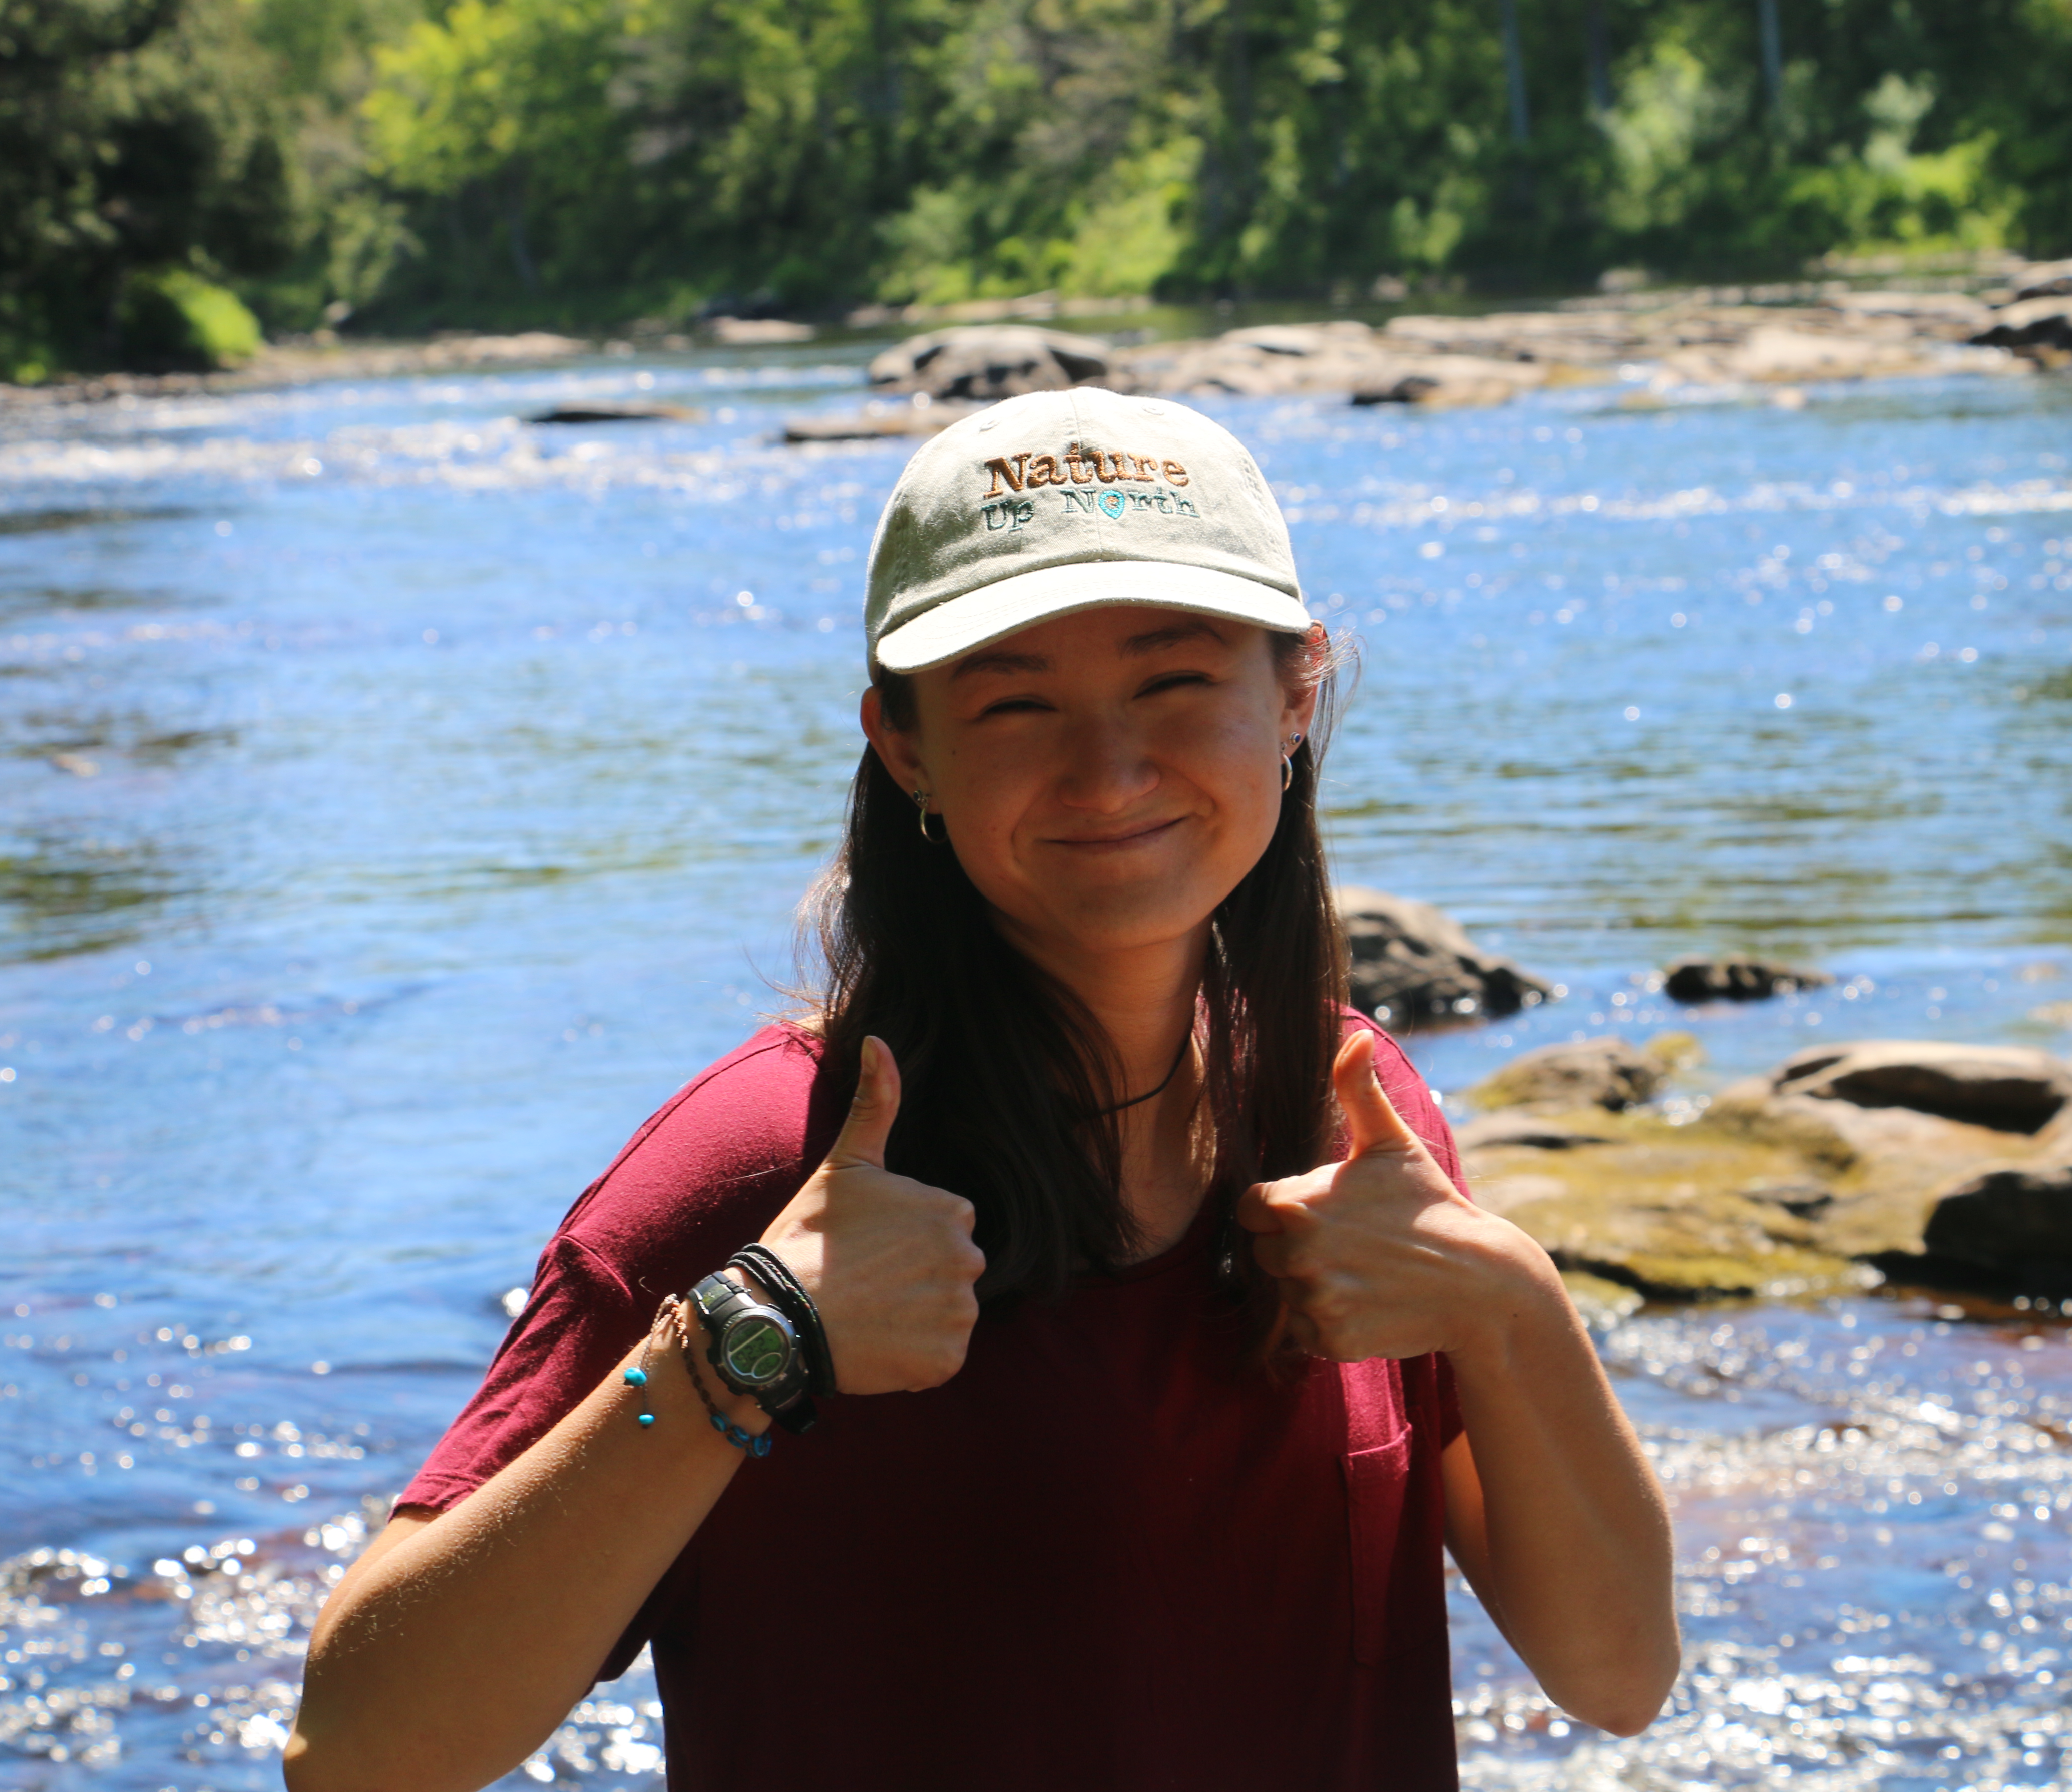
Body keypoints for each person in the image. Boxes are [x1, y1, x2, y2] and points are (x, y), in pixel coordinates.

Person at [284, 387, 1678, 1792]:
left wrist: (1513, 1308)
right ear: (906, 747)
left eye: (1174, 682)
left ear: (1296, 691)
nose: (1109, 768)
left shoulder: (1349, 1115)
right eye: (1016, 702)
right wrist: (742, 1345)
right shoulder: (772, 1163)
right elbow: (354, 1751)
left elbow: (1617, 1676)